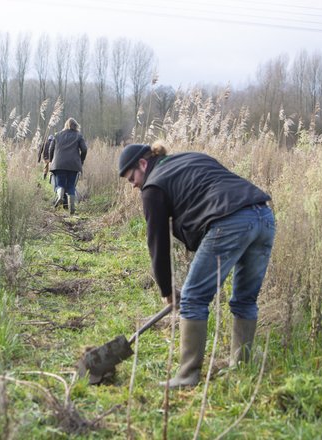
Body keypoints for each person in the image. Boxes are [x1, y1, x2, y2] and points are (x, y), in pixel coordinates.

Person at [118, 141, 275, 388]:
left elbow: (157, 243)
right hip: (263, 217)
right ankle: (241, 367)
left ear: (142, 163)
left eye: (132, 178)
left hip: (231, 222)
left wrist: (167, 291)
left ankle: (187, 376)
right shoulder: (188, 159)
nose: (134, 184)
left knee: (192, 299)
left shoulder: (153, 186)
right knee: (245, 299)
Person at [48, 118, 88, 215]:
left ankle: (60, 196)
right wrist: (81, 160)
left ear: (66, 125)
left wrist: (51, 160)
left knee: (60, 184)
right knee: (71, 186)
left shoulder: (57, 135)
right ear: (76, 126)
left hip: (59, 164)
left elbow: (50, 149)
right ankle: (72, 210)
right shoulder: (78, 136)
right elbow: (84, 149)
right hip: (73, 165)